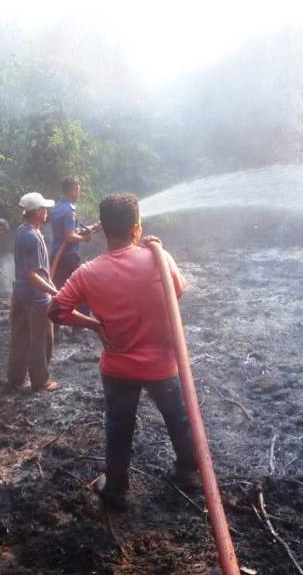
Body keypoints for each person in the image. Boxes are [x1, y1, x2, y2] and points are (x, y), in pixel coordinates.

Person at [49, 193, 198, 511]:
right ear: (136, 228)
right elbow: (178, 292)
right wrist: (155, 252)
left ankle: (116, 487)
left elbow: (56, 310)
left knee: (119, 426)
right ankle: (188, 474)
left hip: (118, 367)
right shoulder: (160, 258)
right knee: (178, 418)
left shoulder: (87, 272)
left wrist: (93, 324)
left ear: (103, 229)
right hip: (162, 365)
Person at [6, 192, 59, 392]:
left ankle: (15, 378)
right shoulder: (32, 237)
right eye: (44, 208)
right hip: (37, 299)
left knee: (19, 337)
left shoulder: (23, 230)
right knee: (41, 340)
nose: (46, 211)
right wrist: (54, 292)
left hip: (20, 294)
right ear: (37, 212)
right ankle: (40, 381)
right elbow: (32, 274)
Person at [49, 177, 98, 289]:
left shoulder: (58, 207)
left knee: (57, 289)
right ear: (73, 190)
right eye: (78, 190)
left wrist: (92, 227)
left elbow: (71, 230)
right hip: (67, 258)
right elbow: (70, 237)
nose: (79, 194)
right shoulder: (69, 210)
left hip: (56, 256)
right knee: (74, 290)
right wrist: (85, 238)